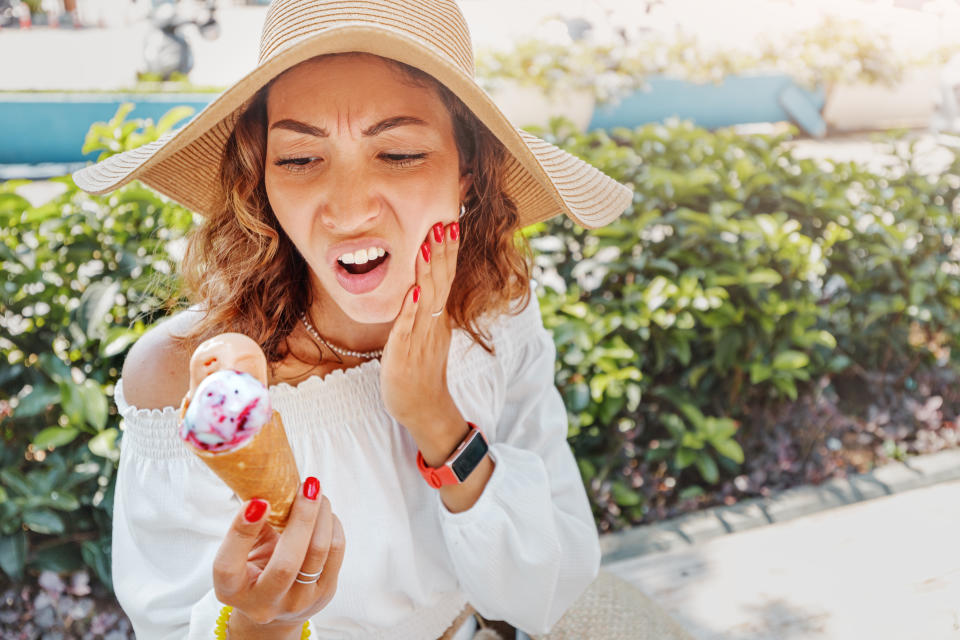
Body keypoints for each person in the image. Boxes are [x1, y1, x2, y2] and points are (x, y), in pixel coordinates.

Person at [72, 1, 633, 638]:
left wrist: (439, 422)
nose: (345, 210)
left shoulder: (497, 312)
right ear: (261, 181)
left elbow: (548, 588)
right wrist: (262, 619)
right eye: (299, 159)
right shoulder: (184, 381)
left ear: (469, 171)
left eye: (397, 153)